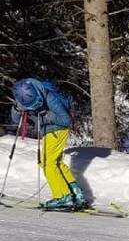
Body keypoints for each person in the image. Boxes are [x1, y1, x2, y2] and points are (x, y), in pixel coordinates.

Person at [10, 78, 88, 209]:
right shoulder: (22, 98)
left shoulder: (49, 97)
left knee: (48, 163)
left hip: (58, 130)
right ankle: (75, 192)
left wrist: (48, 114)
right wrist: (16, 109)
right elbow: (16, 119)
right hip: (47, 132)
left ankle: (63, 196)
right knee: (54, 162)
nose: (34, 107)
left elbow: (66, 120)